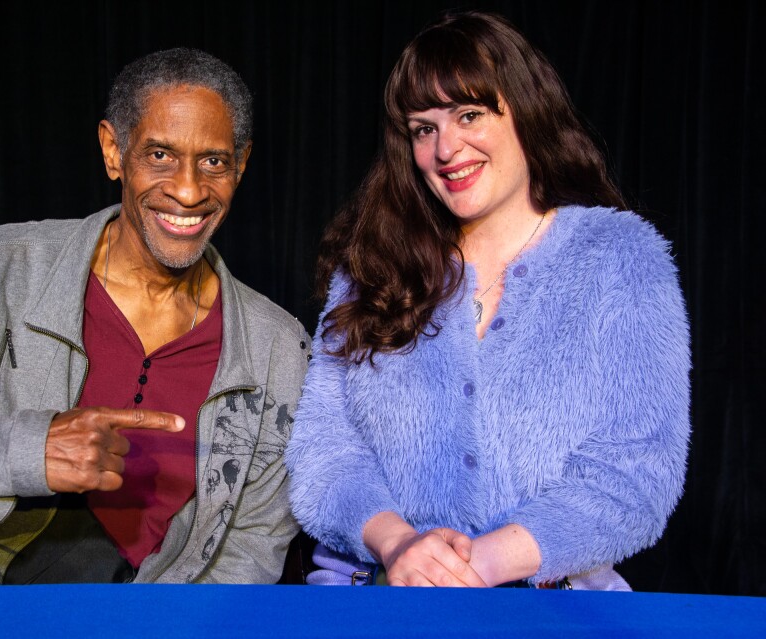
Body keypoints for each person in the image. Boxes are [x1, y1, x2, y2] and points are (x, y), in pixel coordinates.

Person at [0, 48, 311, 588]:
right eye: (160, 155)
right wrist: (25, 451)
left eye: (213, 161)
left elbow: (250, 551)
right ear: (114, 151)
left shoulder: (278, 351)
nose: (188, 190)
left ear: (242, 163)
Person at [285, 12, 690, 589]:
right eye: (423, 129)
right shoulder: (372, 264)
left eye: (469, 115)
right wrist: (399, 545)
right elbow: (324, 453)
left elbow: (637, 472)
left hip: (556, 608)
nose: (446, 148)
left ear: (525, 109)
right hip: (373, 595)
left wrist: (477, 567)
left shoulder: (621, 258)